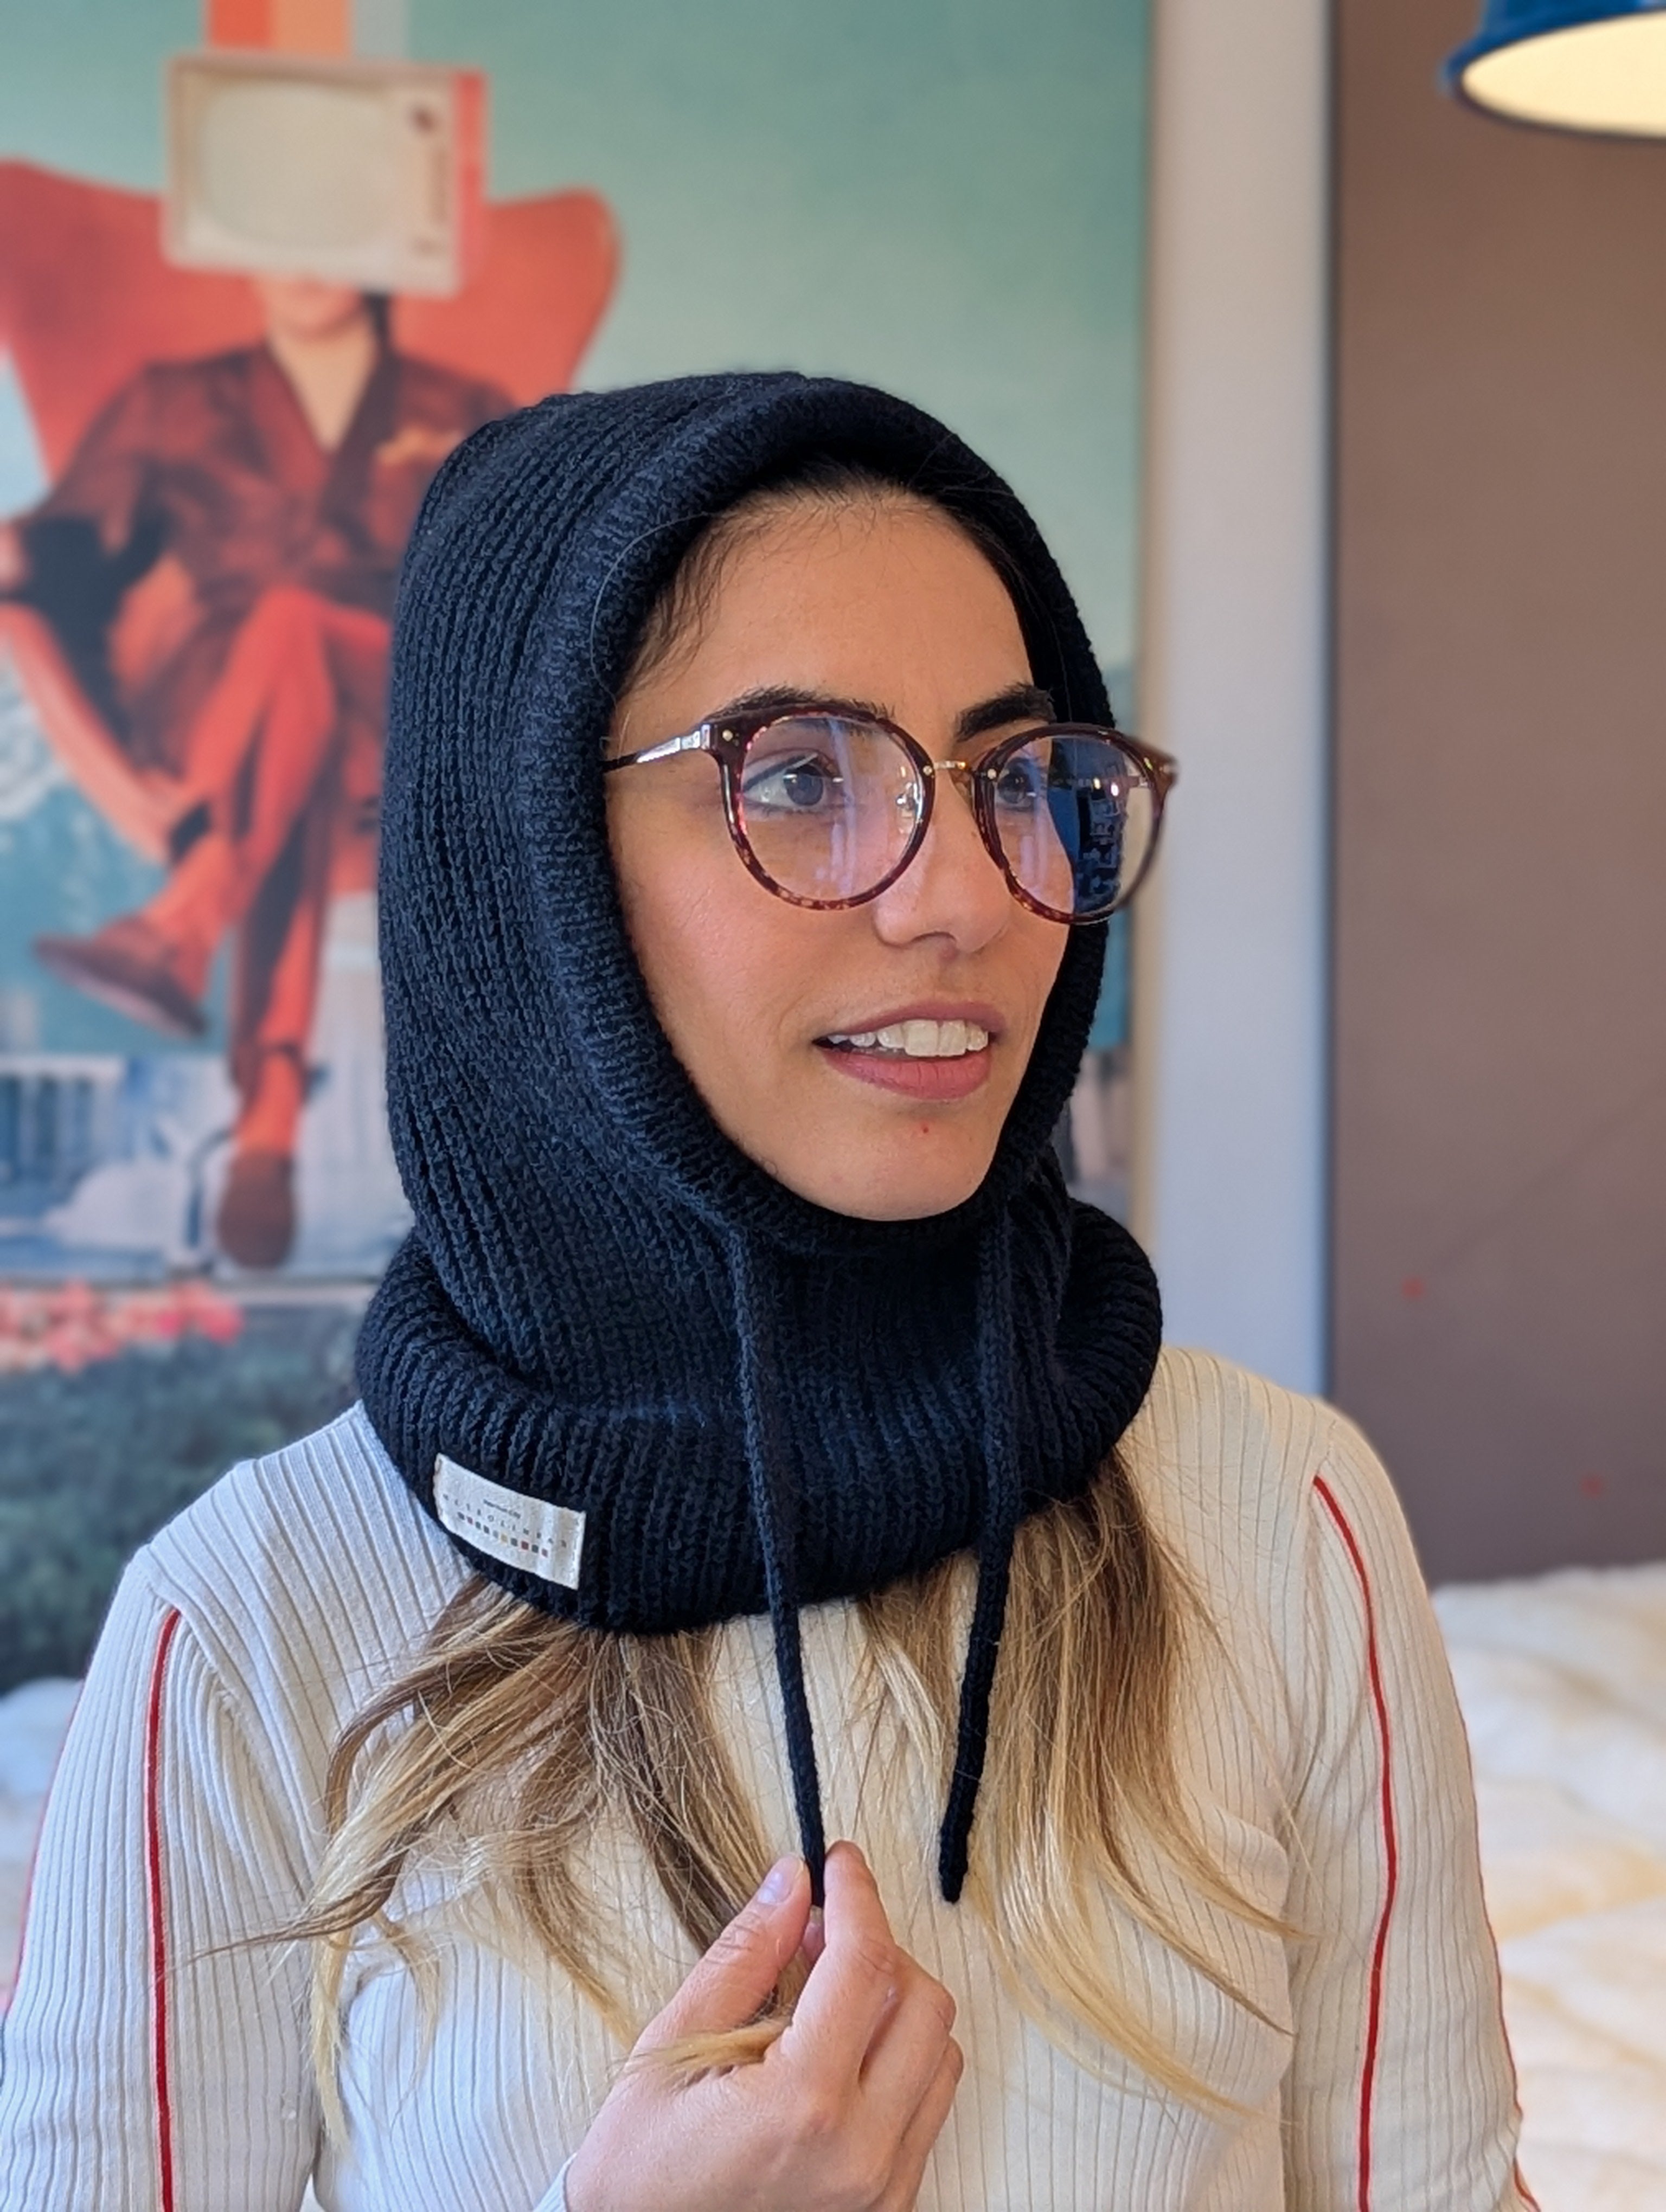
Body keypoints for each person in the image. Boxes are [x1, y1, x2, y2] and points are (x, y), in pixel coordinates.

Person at [0, 375, 1534, 2210]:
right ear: (526, 866)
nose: (969, 894)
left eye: (1017, 775)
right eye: (798, 777)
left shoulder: (1283, 1524)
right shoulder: (248, 1629)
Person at [0, 275, 509, 1267]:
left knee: (298, 633)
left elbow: (523, 574)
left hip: (399, 705)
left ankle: (196, 928)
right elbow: (74, 539)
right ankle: (268, 1125)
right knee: (286, 724)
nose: (301, 261)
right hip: (229, 715)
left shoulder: (460, 406)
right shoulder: (173, 400)